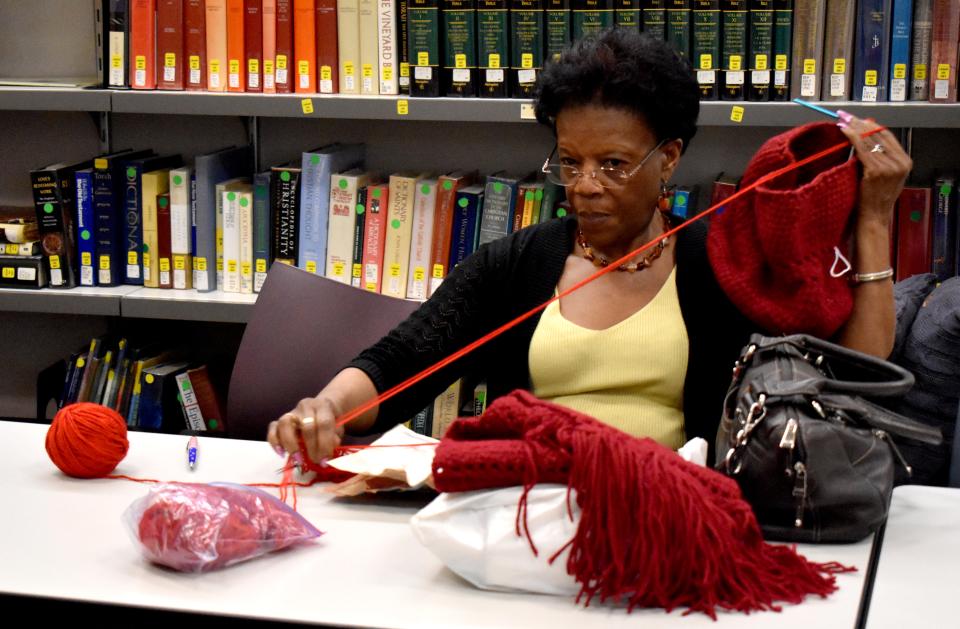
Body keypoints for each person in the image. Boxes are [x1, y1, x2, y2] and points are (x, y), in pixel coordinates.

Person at [268, 28, 911, 466]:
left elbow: (858, 364)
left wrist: (875, 217)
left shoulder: (721, 263)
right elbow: (402, 360)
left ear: (670, 159)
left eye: (614, 164)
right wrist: (324, 409)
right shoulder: (517, 264)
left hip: (671, 519)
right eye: (570, 162)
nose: (586, 187)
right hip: (526, 516)